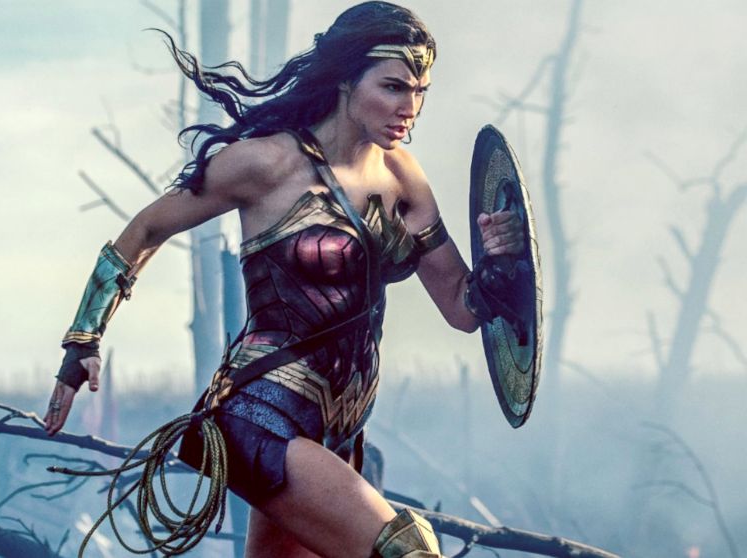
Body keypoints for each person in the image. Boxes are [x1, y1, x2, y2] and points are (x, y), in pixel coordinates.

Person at [44, 2, 525, 557]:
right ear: (346, 79)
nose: (409, 108)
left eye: (420, 91)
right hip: (262, 417)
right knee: (407, 550)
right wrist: (83, 339)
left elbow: (462, 307)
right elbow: (148, 227)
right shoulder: (267, 164)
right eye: (393, 87)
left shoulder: (402, 177)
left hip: (341, 428)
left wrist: (501, 258)